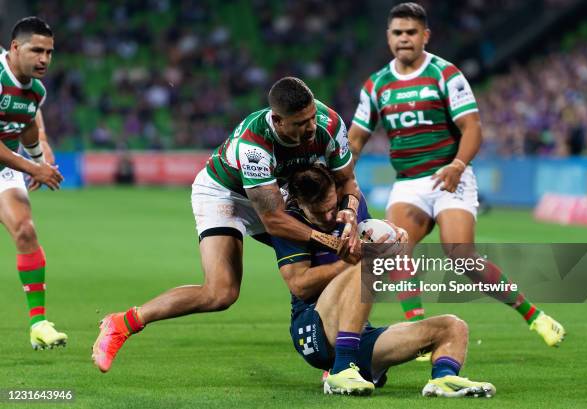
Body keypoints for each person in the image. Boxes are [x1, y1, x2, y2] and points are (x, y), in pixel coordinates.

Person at [92, 77, 362, 372]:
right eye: (300, 123)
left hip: (274, 192)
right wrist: (328, 241)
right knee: (221, 293)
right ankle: (122, 323)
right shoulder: (254, 145)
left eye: (311, 118)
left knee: (333, 249)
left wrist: (349, 212)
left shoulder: (329, 123)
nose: (310, 128)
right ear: (277, 120)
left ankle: (335, 350)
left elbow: (346, 179)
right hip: (226, 196)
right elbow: (274, 221)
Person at [348, 3, 564, 346]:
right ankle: (419, 335)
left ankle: (532, 315)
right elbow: (356, 138)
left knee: (461, 255)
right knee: (393, 250)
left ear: (425, 36)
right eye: (397, 32)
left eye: (411, 32)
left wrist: (457, 165)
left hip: (451, 176)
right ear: (388, 37)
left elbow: (472, 128)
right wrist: (341, 175)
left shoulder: (445, 74)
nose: (404, 39)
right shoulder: (376, 85)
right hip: (409, 182)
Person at [271, 164, 495, 397]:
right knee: (367, 260)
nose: (329, 217)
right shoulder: (290, 223)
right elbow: (300, 284)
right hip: (314, 327)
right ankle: (341, 369)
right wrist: (352, 261)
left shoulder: (353, 206)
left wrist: (393, 237)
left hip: (357, 334)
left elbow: (372, 238)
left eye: (332, 207)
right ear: (299, 204)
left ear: (337, 191)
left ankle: (444, 379)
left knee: (453, 327)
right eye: (318, 213)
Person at [0, 17, 66, 349]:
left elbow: (25, 123)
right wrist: (32, 167)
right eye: (36, 50)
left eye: (49, 52)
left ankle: (38, 323)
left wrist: (39, 159)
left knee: (25, 230)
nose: (44, 59)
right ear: (15, 48)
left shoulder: (36, 90)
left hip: (3, 168)